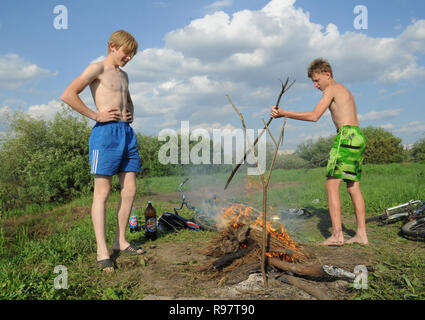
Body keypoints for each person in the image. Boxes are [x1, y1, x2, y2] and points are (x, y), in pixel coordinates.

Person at [61, 30, 144, 272]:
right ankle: (102, 251)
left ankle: (121, 240)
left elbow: (127, 98)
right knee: (103, 191)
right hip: (105, 134)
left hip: (126, 133)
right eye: (126, 53)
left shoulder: (124, 75)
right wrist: (96, 115)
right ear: (113, 46)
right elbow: (68, 94)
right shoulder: (97, 68)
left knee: (130, 189)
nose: (129, 58)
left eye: (132, 55)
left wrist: (131, 113)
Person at [270, 58, 368, 246]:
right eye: (313, 82)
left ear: (327, 74)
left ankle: (338, 235)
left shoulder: (331, 89)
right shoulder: (343, 89)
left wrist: (284, 113)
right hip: (357, 135)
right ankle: (362, 235)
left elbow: (315, 116)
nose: (315, 85)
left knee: (331, 185)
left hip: (346, 135)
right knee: (353, 185)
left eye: (317, 80)